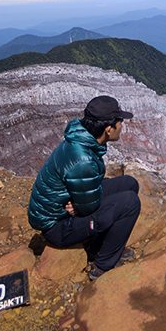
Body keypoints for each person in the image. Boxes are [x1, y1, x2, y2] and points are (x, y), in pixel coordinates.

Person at [27, 95, 141, 280]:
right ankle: (103, 264)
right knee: (129, 202)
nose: (122, 125)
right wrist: (80, 207)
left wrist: (78, 205)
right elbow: (89, 206)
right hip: (57, 226)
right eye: (120, 121)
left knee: (129, 183)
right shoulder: (83, 160)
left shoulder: (82, 138)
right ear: (108, 129)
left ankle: (101, 244)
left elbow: (87, 194)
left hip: (62, 210)